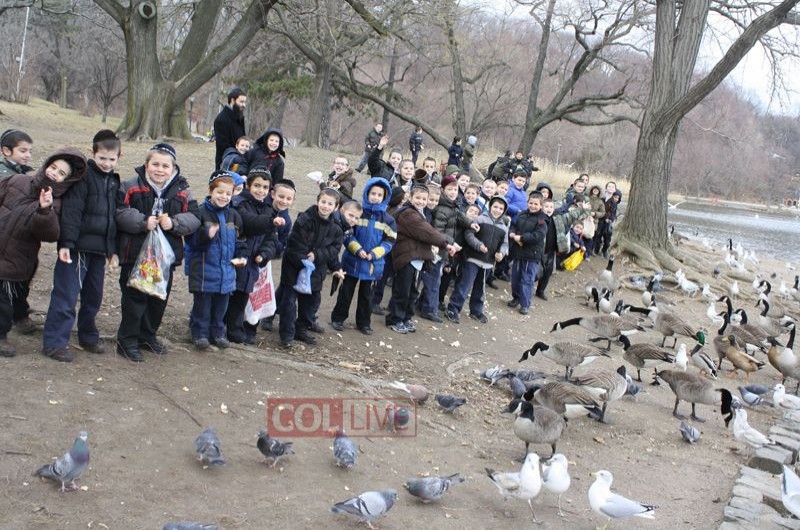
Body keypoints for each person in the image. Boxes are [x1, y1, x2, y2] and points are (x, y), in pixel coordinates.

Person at [116, 143, 200, 362]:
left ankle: (147, 335)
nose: (160, 170)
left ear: (173, 168)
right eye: (155, 164)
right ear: (146, 165)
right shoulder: (131, 185)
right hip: (134, 255)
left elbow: (194, 218)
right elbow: (120, 212)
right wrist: (143, 222)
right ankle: (127, 340)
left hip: (165, 258)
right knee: (135, 299)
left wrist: (174, 223)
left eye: (165, 166)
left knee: (157, 299)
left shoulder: (182, 191)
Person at [41, 130, 121, 362]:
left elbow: (112, 219)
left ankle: (88, 335)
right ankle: (55, 341)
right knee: (66, 294)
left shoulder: (114, 182)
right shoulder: (84, 178)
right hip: (76, 248)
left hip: (98, 250)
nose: (106, 163)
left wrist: (111, 250)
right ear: (93, 154)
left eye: (111, 159)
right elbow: (72, 213)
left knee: (93, 297)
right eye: (102, 158)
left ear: (118, 158)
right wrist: (66, 243)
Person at [0, 148, 87, 358]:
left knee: (6, 299)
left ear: (67, 180)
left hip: (18, 257)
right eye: (53, 167)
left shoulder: (55, 204)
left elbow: (49, 234)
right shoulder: (17, 181)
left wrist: (44, 210)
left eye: (61, 173)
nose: (54, 173)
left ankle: (2, 333)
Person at [187, 171, 247, 350]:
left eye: (228, 193)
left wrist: (242, 255)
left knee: (221, 306)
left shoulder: (234, 216)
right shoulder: (200, 212)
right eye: (220, 192)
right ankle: (200, 334)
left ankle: (218, 333)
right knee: (203, 306)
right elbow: (193, 242)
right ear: (211, 191)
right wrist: (207, 235)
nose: (224, 197)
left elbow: (240, 240)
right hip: (205, 271)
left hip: (226, 272)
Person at [278, 188, 345, 348]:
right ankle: (286, 335)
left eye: (330, 204)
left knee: (311, 302)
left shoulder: (336, 228)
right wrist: (304, 257)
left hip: (316, 270)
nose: (325, 206)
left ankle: (301, 329)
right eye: (323, 202)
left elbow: (334, 249)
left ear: (336, 207)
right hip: (294, 266)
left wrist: (320, 256)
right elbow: (294, 242)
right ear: (317, 201)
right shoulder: (305, 219)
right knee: (289, 302)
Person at [331, 178, 396, 335]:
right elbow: (347, 233)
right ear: (367, 193)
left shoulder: (388, 219)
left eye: (379, 195)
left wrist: (374, 253)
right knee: (346, 291)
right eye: (372, 193)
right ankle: (338, 318)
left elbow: (390, 241)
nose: (375, 197)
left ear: (385, 197)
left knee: (367, 296)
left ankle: (364, 323)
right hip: (352, 260)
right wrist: (357, 249)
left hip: (373, 264)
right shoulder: (358, 213)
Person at [386, 185, 454, 334]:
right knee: (402, 290)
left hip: (416, 258)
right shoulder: (408, 213)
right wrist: (445, 243)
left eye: (424, 198)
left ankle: (406, 318)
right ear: (410, 197)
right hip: (406, 256)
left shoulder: (421, 213)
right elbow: (426, 232)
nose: (421, 201)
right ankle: (395, 319)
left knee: (413, 291)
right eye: (418, 198)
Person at [226, 168, 281, 344]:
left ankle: (234, 330)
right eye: (256, 185)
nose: (260, 190)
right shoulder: (239, 203)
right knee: (227, 295)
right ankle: (218, 327)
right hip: (237, 258)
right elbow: (249, 223)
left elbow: (271, 240)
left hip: (253, 263)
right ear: (248, 185)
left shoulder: (267, 208)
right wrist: (270, 222)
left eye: (265, 187)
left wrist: (264, 253)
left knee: (242, 297)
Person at [446, 196, 509, 323]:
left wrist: (501, 254)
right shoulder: (479, 219)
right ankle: (453, 308)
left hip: (488, 263)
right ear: (490, 206)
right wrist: (478, 245)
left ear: (504, 211)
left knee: (480, 288)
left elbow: (505, 244)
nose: (497, 210)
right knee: (465, 285)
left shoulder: (503, 227)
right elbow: (469, 234)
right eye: (495, 207)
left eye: (501, 208)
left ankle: (476, 311)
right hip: (473, 259)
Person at [258, 180, 297, 333]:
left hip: (266, 257)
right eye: (281, 196)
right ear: (272, 194)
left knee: (261, 288)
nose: (284, 201)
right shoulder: (262, 208)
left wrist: (274, 246)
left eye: (288, 199)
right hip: (251, 252)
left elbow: (282, 243)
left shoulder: (287, 221)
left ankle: (267, 315)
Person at [507, 191, 547, 315]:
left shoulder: (542, 220)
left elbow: (538, 235)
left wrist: (522, 238)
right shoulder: (522, 214)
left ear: (541, 205)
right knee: (515, 277)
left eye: (536, 204)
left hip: (532, 255)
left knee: (527, 280)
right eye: (531, 203)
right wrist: (512, 232)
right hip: (518, 252)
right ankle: (516, 298)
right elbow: (514, 226)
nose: (533, 206)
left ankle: (525, 304)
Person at [213, 87, 247, 169]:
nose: (244, 105)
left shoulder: (239, 117)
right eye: (241, 102)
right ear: (232, 100)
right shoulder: (221, 119)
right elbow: (224, 146)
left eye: (245, 102)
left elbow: (243, 138)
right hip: (227, 163)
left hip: (240, 160)